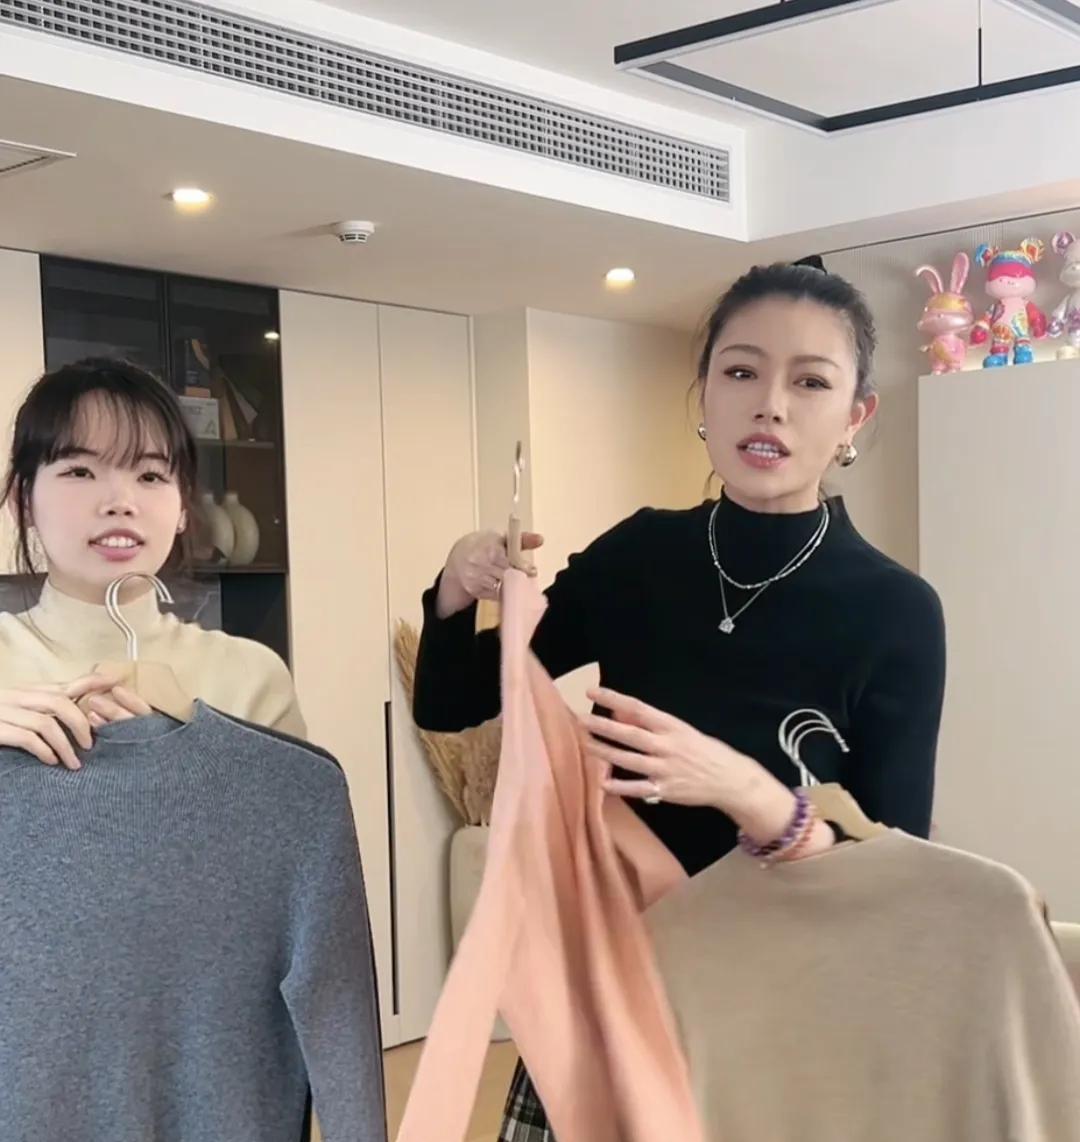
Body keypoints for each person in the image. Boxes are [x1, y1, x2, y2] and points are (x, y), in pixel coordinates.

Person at [411, 261, 947, 1141]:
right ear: (704, 394)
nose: (769, 405)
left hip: (779, 1004)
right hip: (610, 982)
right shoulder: (637, 557)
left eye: (811, 382)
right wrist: (455, 590)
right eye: (740, 371)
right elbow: (452, 703)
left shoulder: (895, 610)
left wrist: (746, 791)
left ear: (856, 416)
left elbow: (895, 870)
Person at [0, 358, 304, 770]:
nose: (120, 503)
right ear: (23, 500)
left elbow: (296, 811)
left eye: (150, 476)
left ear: (183, 508)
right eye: (80, 471)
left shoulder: (252, 677)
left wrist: (200, 746)